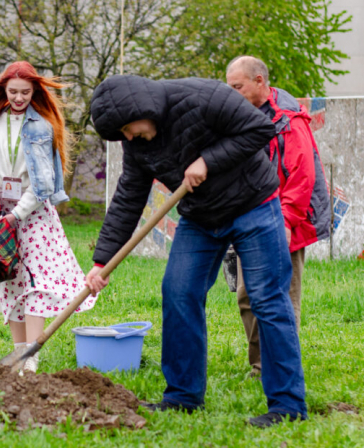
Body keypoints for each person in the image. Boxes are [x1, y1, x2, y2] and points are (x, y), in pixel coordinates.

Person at [85, 74, 307, 428]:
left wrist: (208, 160)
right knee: (178, 292)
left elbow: (260, 129)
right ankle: (183, 396)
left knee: (267, 299)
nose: (128, 137)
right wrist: (102, 262)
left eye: (128, 128)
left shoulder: (205, 97)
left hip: (253, 205)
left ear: (143, 109)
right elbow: (129, 196)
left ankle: (287, 405)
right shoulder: (138, 144)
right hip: (201, 217)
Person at [0, 61, 96, 373]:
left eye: (25, 92)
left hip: (32, 216)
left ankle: (31, 356)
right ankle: (18, 354)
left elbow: (42, 184)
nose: (19, 98)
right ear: (3, 91)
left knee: (36, 281)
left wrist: (17, 214)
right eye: (13, 92)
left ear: (34, 92)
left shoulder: (41, 127)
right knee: (10, 280)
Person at [226, 56, 331, 379]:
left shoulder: (289, 121)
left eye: (237, 86)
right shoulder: (238, 116)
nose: (231, 93)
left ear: (260, 82)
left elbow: (302, 176)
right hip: (249, 219)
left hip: (287, 221)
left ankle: (281, 366)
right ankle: (260, 364)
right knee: (246, 295)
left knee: (282, 296)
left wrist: (285, 222)